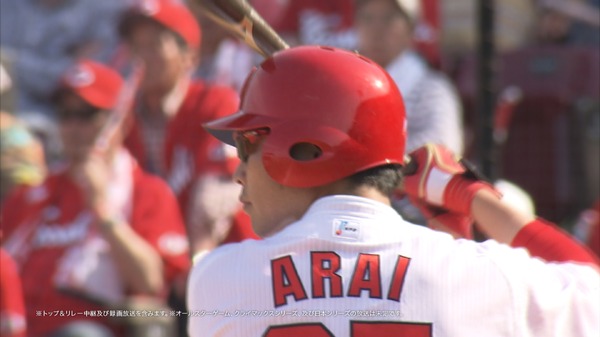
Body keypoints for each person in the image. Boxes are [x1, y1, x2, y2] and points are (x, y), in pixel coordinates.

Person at [186, 46, 599, 337]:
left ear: (304, 151)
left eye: (246, 146)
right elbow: (591, 293)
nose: (239, 171)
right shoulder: (480, 276)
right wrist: (468, 194)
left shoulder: (217, 280)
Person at [0, 60, 190, 337]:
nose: (73, 127)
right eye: (65, 115)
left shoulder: (147, 190)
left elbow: (152, 283)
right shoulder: (34, 192)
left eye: (87, 114)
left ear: (121, 122)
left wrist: (103, 209)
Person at [118, 0, 258, 256]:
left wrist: (195, 267)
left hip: (225, 257)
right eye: (136, 47)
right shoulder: (123, 118)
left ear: (189, 57)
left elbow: (214, 196)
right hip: (159, 262)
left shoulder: (215, 102)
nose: (141, 58)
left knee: (209, 200)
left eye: (154, 45)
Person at [355, 0, 464, 155]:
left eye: (388, 18)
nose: (376, 29)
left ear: (410, 30)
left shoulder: (433, 89)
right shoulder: (344, 86)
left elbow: (444, 146)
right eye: (367, 18)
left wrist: (375, 161)